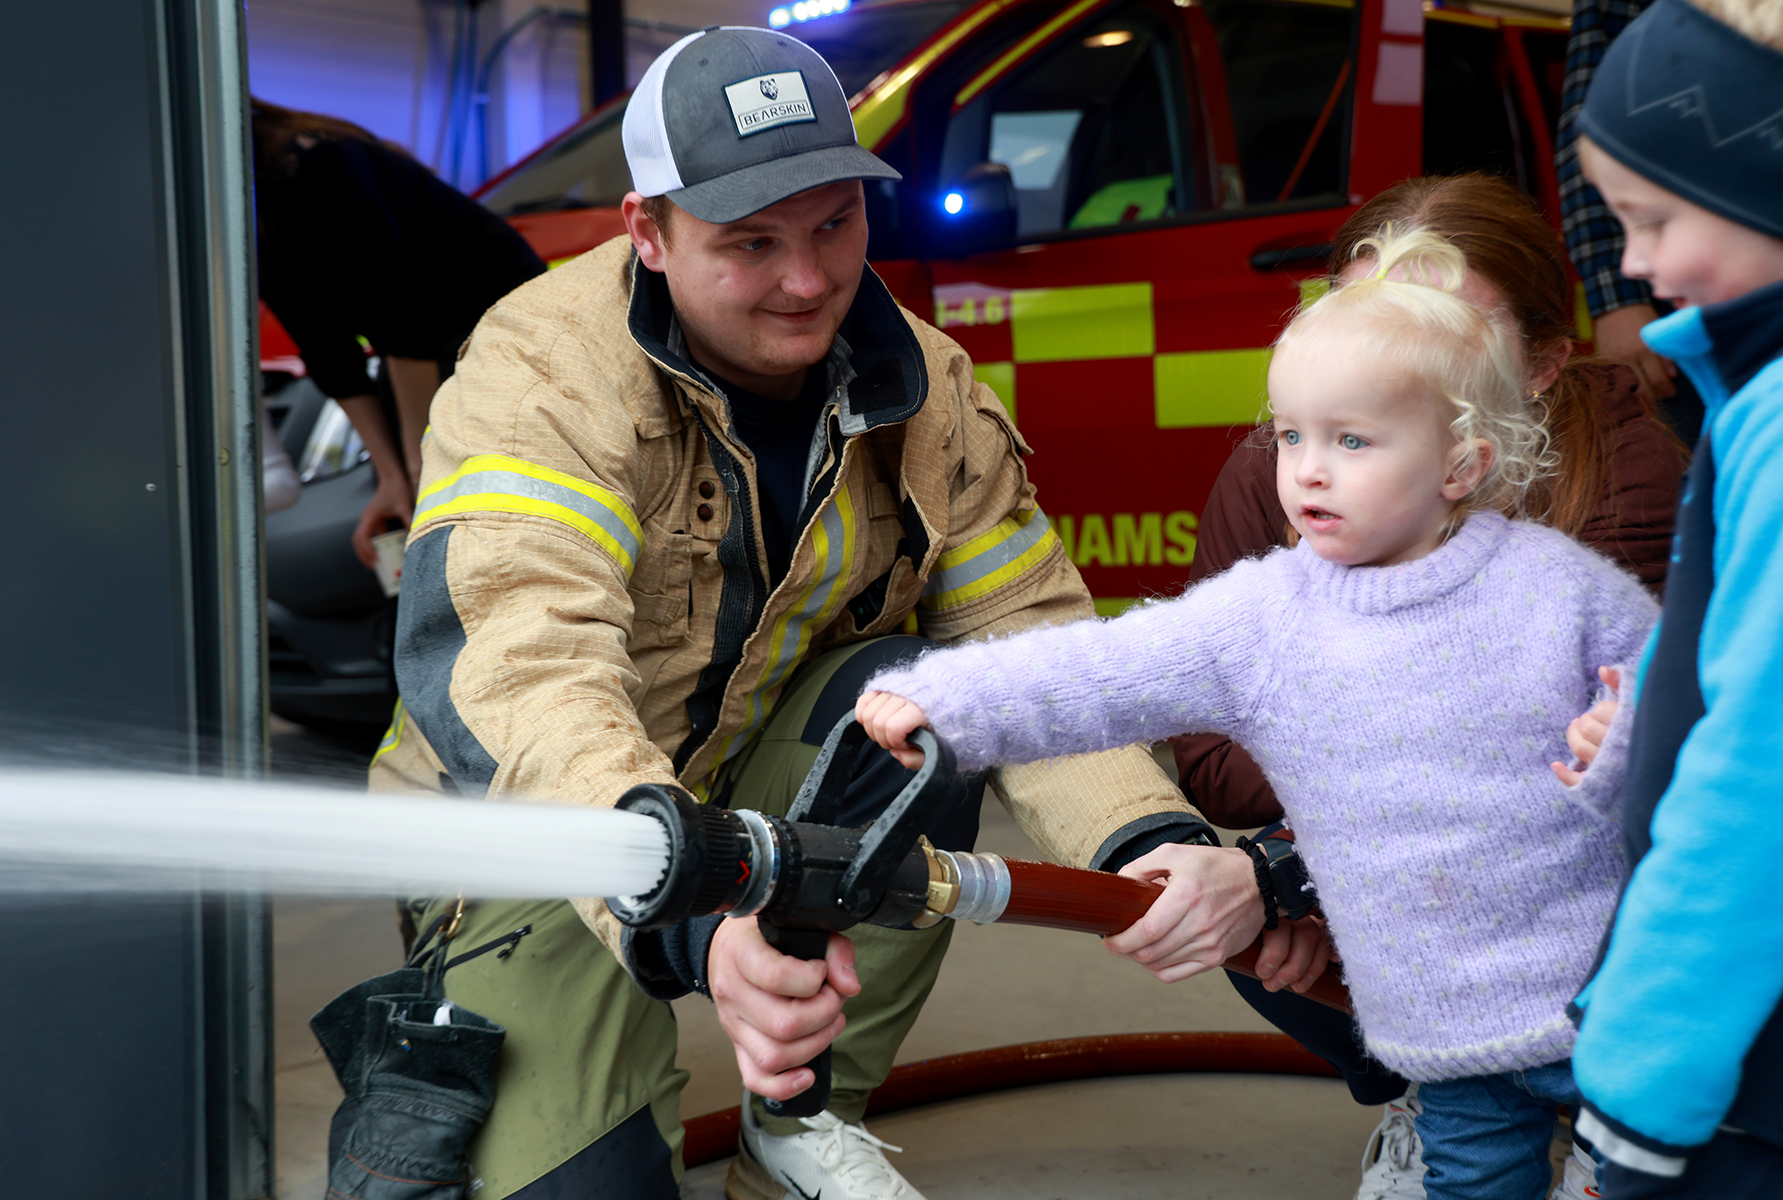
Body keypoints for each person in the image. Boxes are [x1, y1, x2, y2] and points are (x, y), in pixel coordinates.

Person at [367, 27, 1284, 1200]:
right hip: (542, 829)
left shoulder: (928, 389)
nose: (808, 283)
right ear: (646, 232)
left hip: (754, 786)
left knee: (930, 704)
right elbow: (523, 672)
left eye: (834, 225)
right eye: (750, 242)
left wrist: (1147, 844)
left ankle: (800, 1123)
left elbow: (1031, 647)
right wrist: (693, 916)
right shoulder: (542, 376)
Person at [858, 225, 1662, 1200]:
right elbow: (1103, 669)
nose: (1308, 470)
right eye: (1292, 435)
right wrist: (948, 700)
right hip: (1447, 1036)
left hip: (1623, 1003)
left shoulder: (1559, 590)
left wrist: (1624, 741)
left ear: (1463, 462)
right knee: (1476, 1182)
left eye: (1352, 440)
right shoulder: (1268, 613)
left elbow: (1689, 714)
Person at [1169, 172, 1687, 1200]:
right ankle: (1443, 1091)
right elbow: (1215, 764)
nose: (1398, 364)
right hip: (1410, 872)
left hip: (1598, 892)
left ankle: (1604, 1105)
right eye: (1369, 317)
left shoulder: (1627, 470)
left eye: (1455, 337)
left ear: (1541, 365)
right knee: (1247, 908)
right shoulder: (1280, 469)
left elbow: (1602, 776)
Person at [1557, 0, 1783, 1193]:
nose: (1637, 267)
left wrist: (1638, 1095)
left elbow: (1765, 783)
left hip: (1757, 1086)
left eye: (1649, 219)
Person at [251, 99, 545, 568]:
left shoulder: (319, 160)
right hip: (421, 353)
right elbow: (329, 354)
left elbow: (400, 317)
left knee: (476, 516)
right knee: (422, 513)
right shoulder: (252, 211)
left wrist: (417, 464)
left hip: (501, 331)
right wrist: (393, 476)